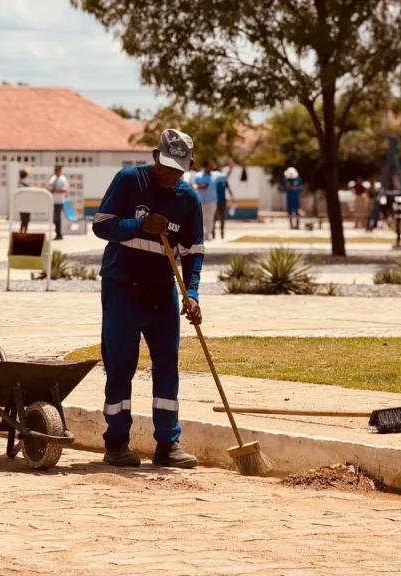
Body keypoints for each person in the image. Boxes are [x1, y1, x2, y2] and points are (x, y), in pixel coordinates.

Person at [92, 128, 204, 469]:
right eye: (167, 166)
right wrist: (139, 226)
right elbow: (101, 225)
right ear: (155, 157)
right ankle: (116, 443)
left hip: (161, 293)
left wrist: (192, 293)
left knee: (167, 365)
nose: (171, 175)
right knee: (121, 365)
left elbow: (193, 252)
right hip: (122, 288)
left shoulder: (188, 200)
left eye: (179, 170)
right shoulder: (129, 180)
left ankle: (167, 444)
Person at [191, 161, 217, 240]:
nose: (210, 168)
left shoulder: (215, 175)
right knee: (201, 218)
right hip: (201, 200)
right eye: (208, 166)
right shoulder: (198, 175)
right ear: (205, 167)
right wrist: (199, 187)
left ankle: (207, 235)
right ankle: (201, 235)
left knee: (210, 218)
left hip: (212, 201)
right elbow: (194, 185)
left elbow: (225, 176)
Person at [213, 167, 235, 239]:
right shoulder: (213, 180)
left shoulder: (224, 181)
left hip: (223, 202)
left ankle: (222, 232)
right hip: (215, 201)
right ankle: (213, 232)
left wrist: (232, 198)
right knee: (214, 218)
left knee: (222, 218)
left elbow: (229, 189)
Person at [48, 165, 69, 240]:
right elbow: (49, 188)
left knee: (58, 218)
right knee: (54, 219)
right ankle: (57, 233)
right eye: (55, 170)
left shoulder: (63, 179)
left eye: (57, 170)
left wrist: (54, 190)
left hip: (59, 201)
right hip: (52, 201)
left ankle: (59, 234)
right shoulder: (52, 178)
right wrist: (55, 190)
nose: (56, 171)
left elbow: (64, 190)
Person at [18, 169, 31, 233]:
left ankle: (22, 232)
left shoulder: (20, 183)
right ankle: (24, 232)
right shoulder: (26, 182)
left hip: (22, 203)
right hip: (27, 202)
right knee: (26, 219)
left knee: (23, 219)